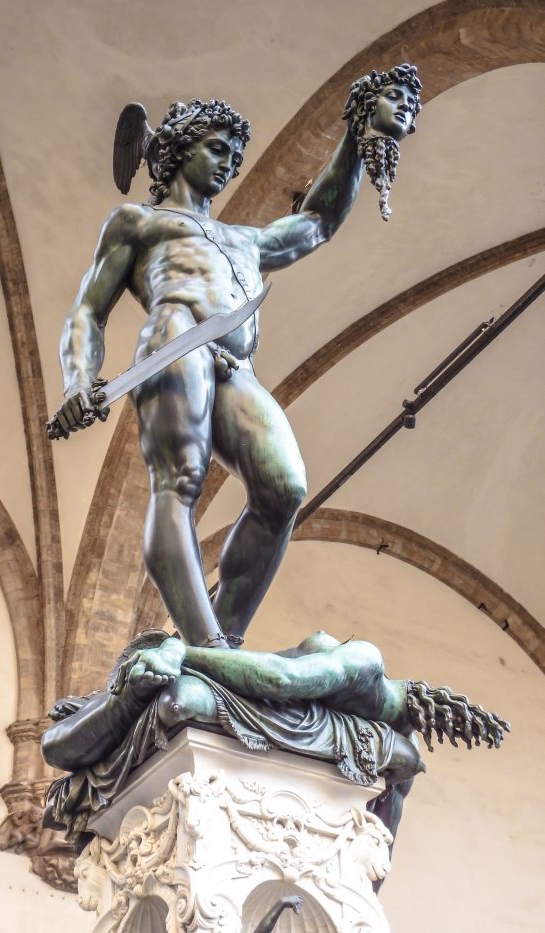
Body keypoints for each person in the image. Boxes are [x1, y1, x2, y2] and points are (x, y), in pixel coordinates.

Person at [50, 68, 421, 650]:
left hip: (236, 367)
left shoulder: (246, 240)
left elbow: (319, 221)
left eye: (235, 156)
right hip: (178, 338)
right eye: (217, 149)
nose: (227, 165)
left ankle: (226, 640)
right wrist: (78, 379)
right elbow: (86, 312)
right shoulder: (139, 223)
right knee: (180, 481)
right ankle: (207, 647)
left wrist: (356, 134)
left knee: (284, 489)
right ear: (177, 150)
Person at [41, 630, 508, 854]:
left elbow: (384, 838)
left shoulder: (393, 745)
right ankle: (127, 693)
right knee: (62, 746)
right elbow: (281, 679)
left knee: (173, 704)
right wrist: (181, 652)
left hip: (227, 693)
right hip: (234, 684)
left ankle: (124, 698)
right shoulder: (364, 665)